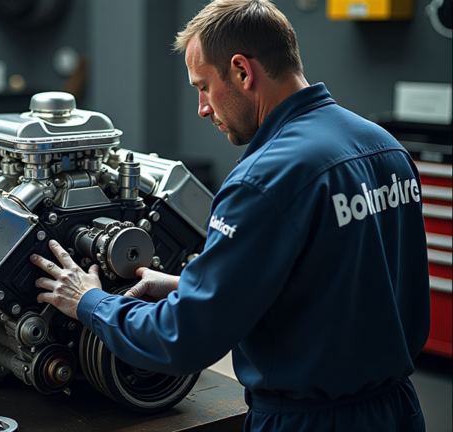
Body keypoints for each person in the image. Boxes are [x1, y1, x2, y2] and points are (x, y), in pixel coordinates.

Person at [30, 1, 431, 431]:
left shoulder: (263, 179)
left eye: (203, 87)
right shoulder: (385, 147)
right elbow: (334, 284)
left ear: (242, 71)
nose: (202, 107)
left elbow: (184, 338)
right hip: (398, 410)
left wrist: (89, 301)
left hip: (311, 422)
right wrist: (187, 286)